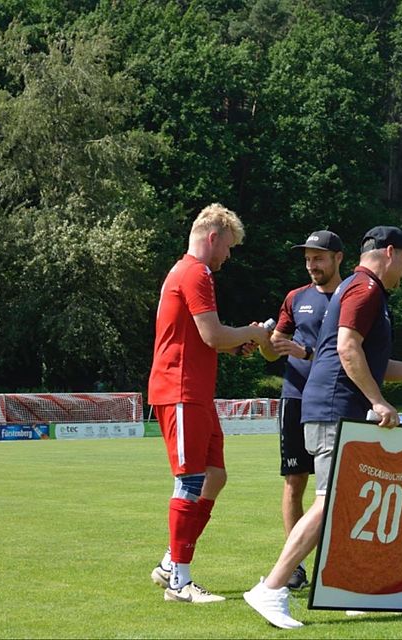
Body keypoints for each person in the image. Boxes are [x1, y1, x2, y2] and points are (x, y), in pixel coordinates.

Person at [243, 226, 402, 629]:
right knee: (331, 501)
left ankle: (351, 591)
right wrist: (377, 401)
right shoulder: (364, 289)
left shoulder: (363, 290)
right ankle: (272, 587)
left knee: (342, 503)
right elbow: (346, 347)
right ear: (390, 253)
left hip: (333, 406)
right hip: (334, 408)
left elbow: (373, 364)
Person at [148, 203, 272, 604]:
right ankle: (179, 581)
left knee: (214, 475)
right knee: (190, 480)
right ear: (213, 237)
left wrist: (236, 342)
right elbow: (214, 335)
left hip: (195, 391)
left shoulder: (185, 272)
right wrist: (251, 332)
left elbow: (205, 339)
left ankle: (171, 563)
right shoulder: (196, 271)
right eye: (229, 247)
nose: (228, 257)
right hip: (180, 389)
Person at [259, 230, 344, 591]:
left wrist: (304, 351)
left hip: (338, 399)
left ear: (338, 258)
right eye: (308, 259)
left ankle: (336, 564)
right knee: (295, 482)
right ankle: (293, 567)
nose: (312, 265)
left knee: (339, 487)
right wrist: (267, 342)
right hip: (295, 396)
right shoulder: (296, 298)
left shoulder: (353, 293)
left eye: (319, 258)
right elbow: (272, 351)